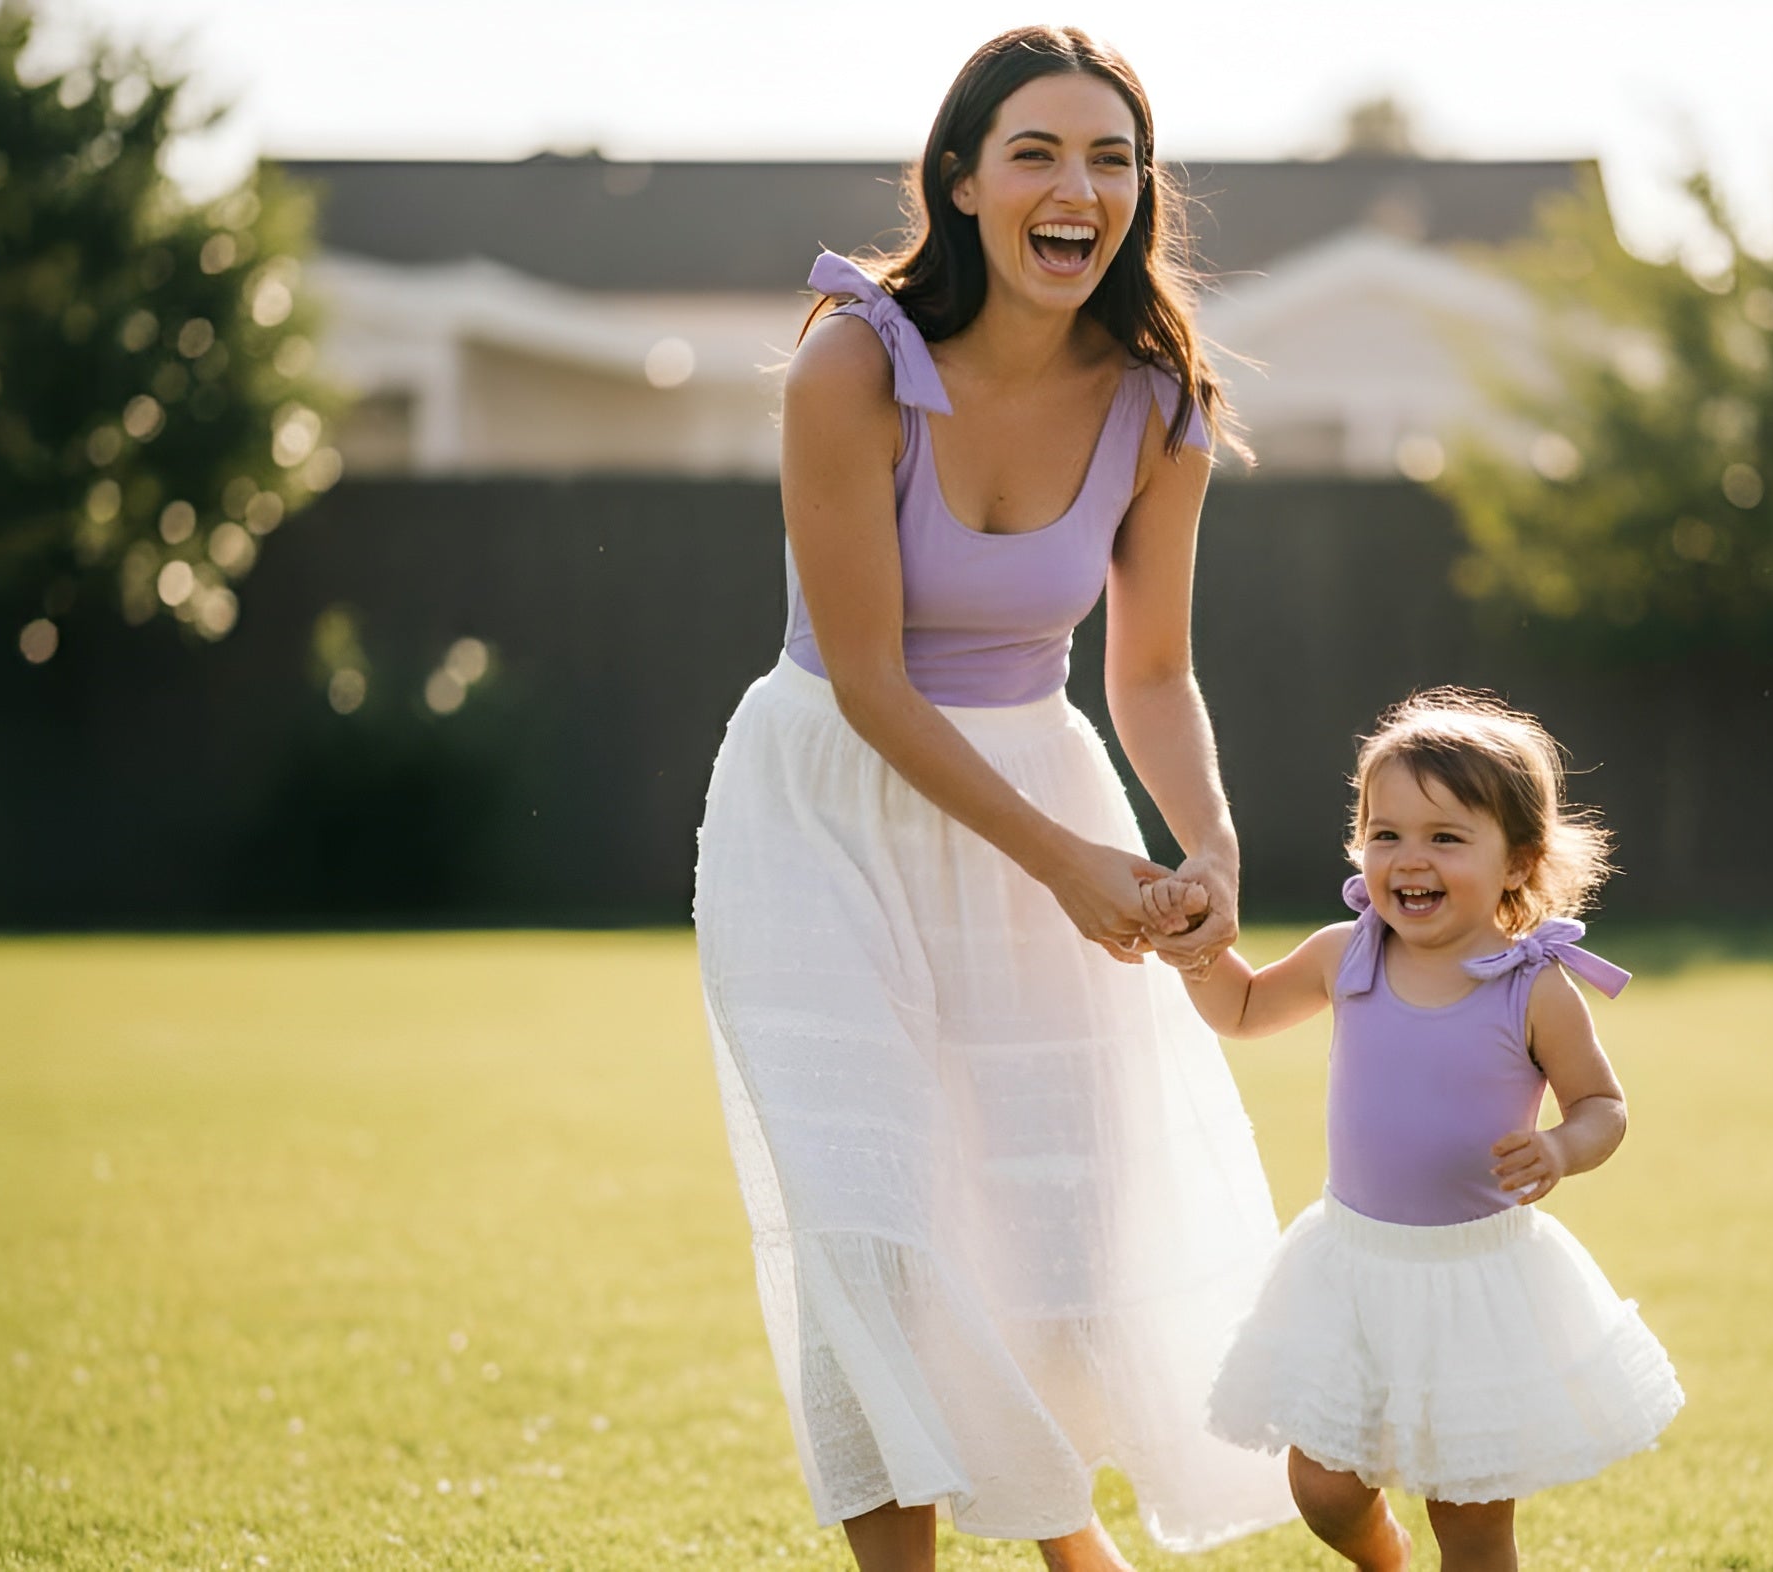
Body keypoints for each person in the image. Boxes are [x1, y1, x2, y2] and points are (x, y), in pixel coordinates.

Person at [691, 24, 1295, 1569]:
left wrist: (1205, 842)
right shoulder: (851, 363)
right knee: (870, 1223)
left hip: (1039, 777)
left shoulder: (1159, 404)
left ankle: (1060, 1541)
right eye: (1033, 151)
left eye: (1109, 158)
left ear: (1139, 195)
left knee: (1051, 1235)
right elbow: (872, 678)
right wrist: (1067, 865)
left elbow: (1147, 675)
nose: (1073, 187)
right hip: (825, 800)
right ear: (958, 182)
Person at [1155, 688, 1684, 1572]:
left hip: (1474, 1280)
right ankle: (1381, 1556)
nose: (1410, 859)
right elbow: (1243, 1008)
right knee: (1324, 1489)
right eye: (1387, 833)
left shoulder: (1531, 988)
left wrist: (1559, 1147)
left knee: (1471, 1518)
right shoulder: (1347, 953)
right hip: (1352, 1267)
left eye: (1446, 838)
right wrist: (1198, 950)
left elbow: (1604, 1106)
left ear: (1517, 862)